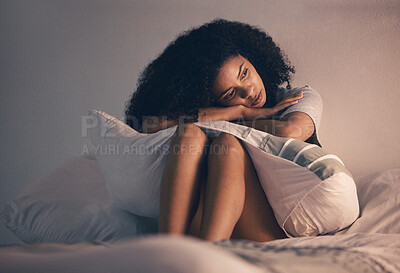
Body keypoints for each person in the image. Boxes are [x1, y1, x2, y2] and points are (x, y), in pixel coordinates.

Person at [124, 19, 358, 242]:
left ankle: (207, 255)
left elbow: (291, 131)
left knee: (227, 143)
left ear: (251, 57)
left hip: (270, 225)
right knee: (189, 134)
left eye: (244, 73)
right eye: (230, 94)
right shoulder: (225, 113)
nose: (247, 92)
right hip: (209, 220)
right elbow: (150, 125)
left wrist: (234, 122)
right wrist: (240, 113)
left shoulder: (297, 98)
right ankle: (168, 250)